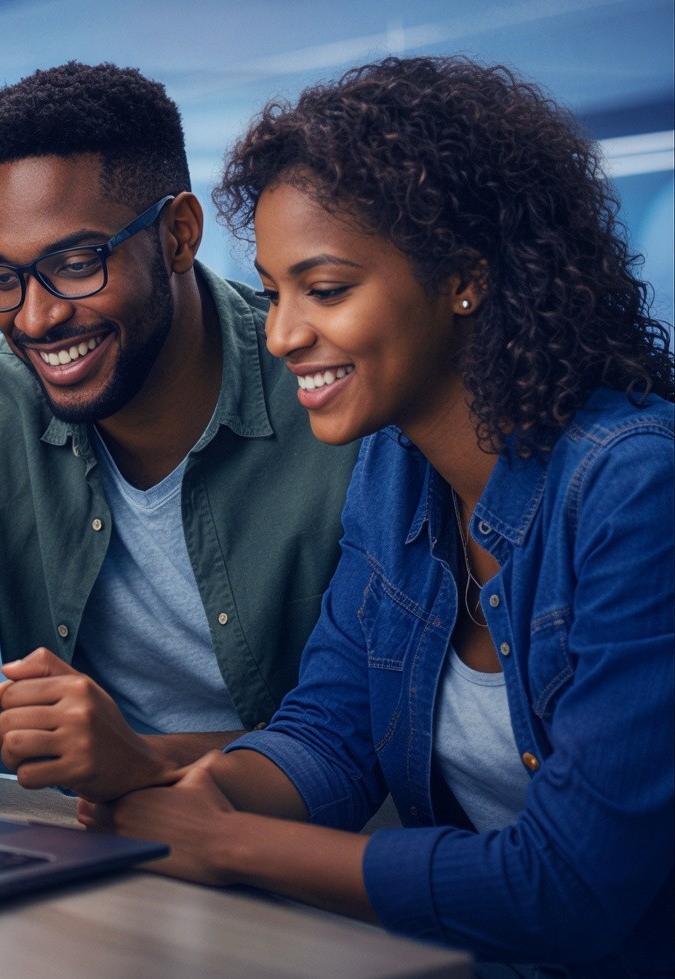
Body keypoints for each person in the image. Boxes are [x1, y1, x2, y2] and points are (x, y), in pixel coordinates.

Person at [82, 57, 674, 975]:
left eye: (324, 290)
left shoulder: (635, 491)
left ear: (463, 280)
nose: (280, 335)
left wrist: (228, 842)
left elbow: (570, 887)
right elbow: (331, 733)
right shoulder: (394, 469)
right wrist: (196, 788)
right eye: (274, 293)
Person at [0, 63, 357, 806]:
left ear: (178, 235)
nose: (34, 318)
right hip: (88, 838)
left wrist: (142, 755)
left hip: (306, 849)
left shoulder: (329, 399)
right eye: (4, 277)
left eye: (75, 263)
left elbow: (367, 723)